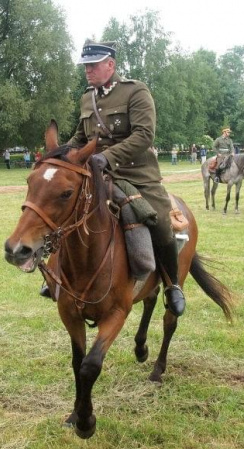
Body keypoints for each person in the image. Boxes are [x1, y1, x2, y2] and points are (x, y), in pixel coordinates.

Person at [62, 40, 185, 317]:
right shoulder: (86, 97)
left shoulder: (135, 91)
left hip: (135, 173)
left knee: (162, 223)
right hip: (96, 173)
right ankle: (61, 278)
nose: (87, 70)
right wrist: (59, 156)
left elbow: (144, 135)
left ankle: (172, 285)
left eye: (92, 65)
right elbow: (80, 138)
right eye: (85, 66)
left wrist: (108, 157)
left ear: (110, 65)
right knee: (63, 212)